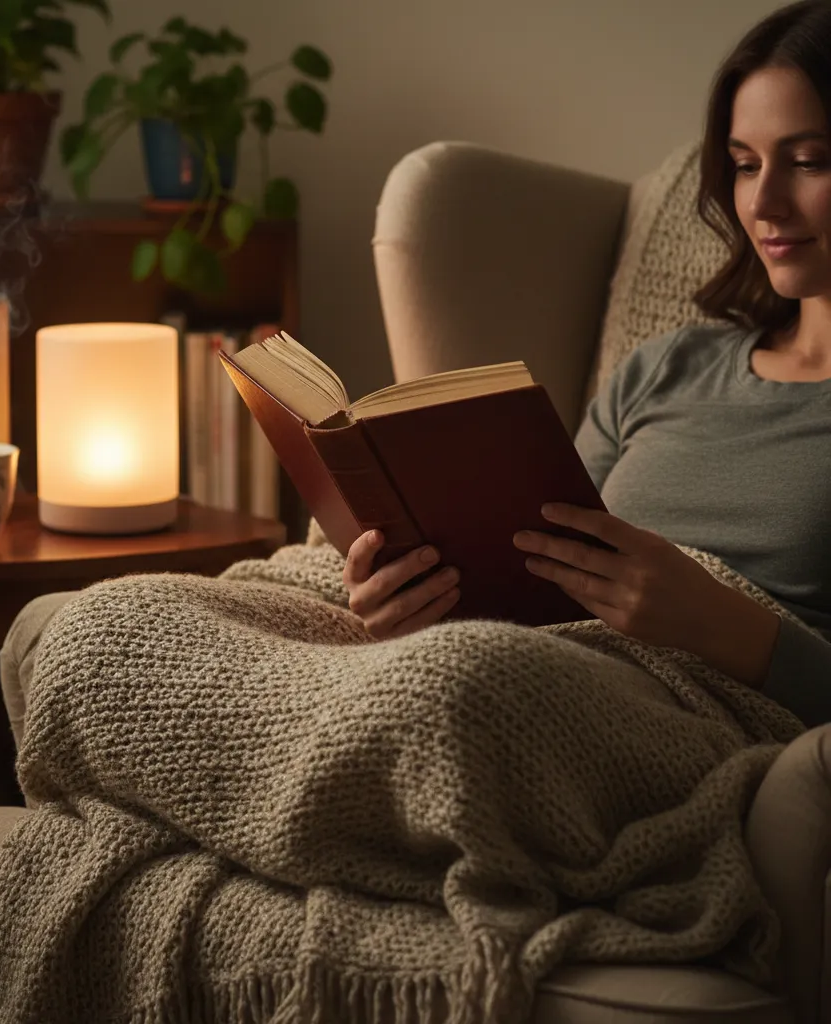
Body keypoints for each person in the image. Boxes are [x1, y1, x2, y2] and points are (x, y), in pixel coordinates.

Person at [343, 0, 831, 729]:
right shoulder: (666, 368)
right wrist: (414, 608)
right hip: (542, 669)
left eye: (807, 161)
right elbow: (534, 581)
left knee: (454, 696)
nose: (762, 201)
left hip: (685, 719)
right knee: (120, 619)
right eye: (742, 165)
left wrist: (720, 622)